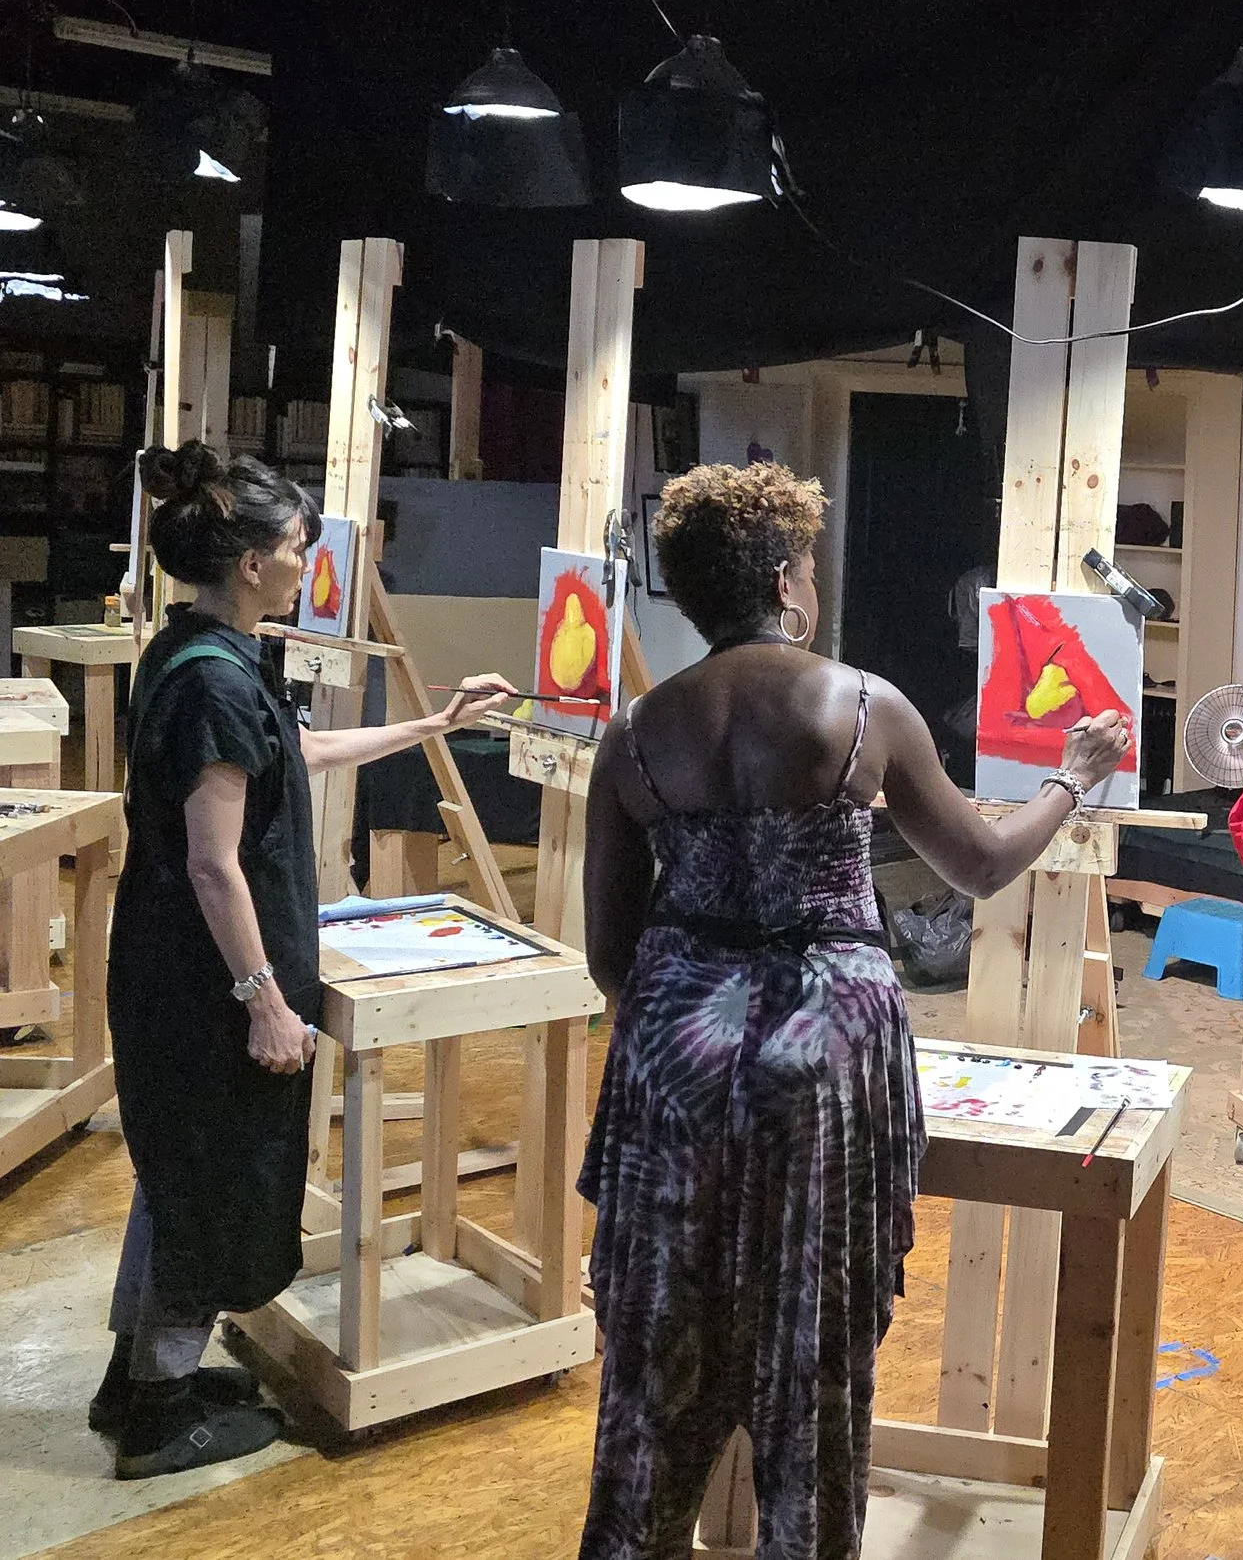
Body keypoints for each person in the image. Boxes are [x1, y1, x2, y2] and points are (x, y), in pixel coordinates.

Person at [575, 461, 1131, 1559]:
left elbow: (608, 955)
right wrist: (1071, 779)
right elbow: (980, 865)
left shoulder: (636, 732)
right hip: (824, 1049)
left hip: (673, 1056)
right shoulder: (863, 705)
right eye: (808, 565)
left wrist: (697, 1016)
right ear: (787, 581)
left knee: (658, 1349)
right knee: (811, 1346)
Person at [99, 441, 513, 1478]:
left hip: (182, 973)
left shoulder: (201, 649)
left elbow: (296, 754)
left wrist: (434, 722)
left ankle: (139, 1380)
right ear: (251, 564)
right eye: (294, 546)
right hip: (199, 987)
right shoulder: (213, 681)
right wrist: (264, 1000)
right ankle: (156, 1415)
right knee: (204, 1184)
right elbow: (212, 864)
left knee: (180, 1177)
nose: (303, 562)